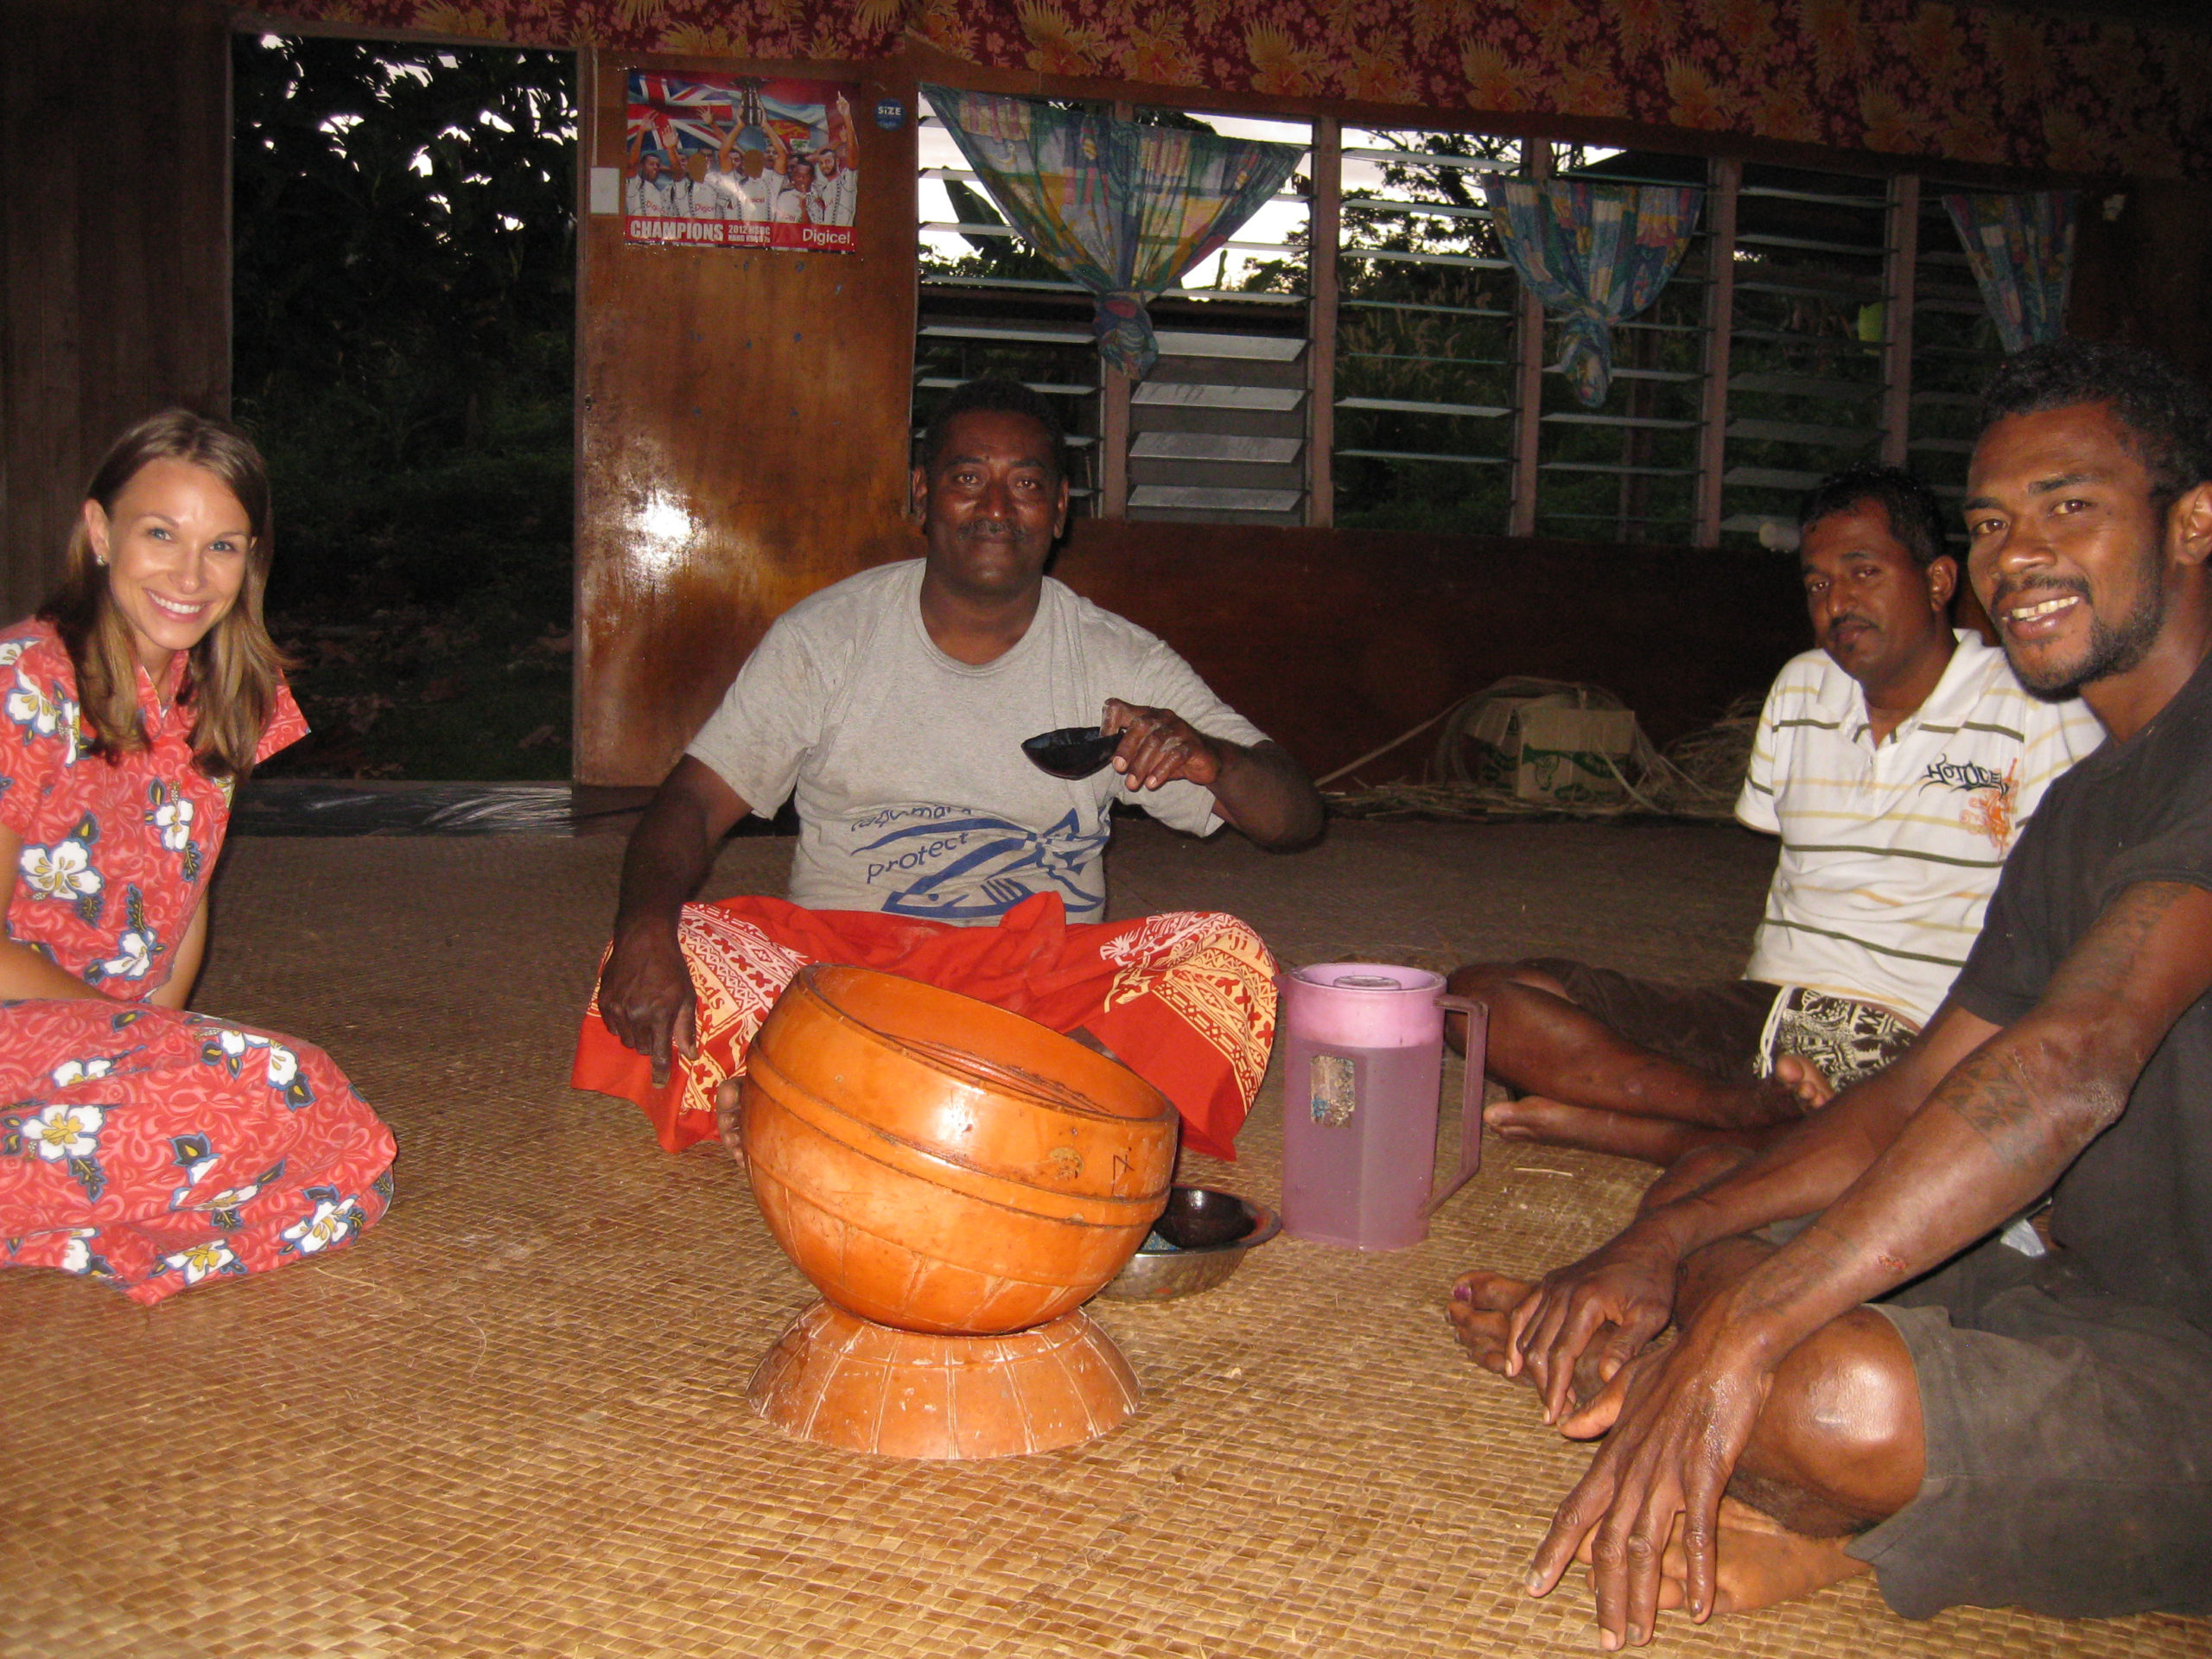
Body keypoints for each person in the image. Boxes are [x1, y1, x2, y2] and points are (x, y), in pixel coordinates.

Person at [1446, 340, 2212, 1637]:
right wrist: (1661, 1252)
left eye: (2069, 506)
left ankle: (1838, 1531)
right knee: (1725, 1252)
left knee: (1822, 1392)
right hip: (2095, 1312)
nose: (2018, 554)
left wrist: (1741, 1336)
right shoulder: (2088, 805)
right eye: (1992, 520)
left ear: (2195, 522)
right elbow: (1922, 1087)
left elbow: (2071, 1062)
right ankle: (1773, 1431)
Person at [572, 377, 1323, 1161]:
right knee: (682, 942)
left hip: (1036, 984)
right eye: (969, 479)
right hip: (841, 973)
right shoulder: (827, 637)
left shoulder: (1118, 658)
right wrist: (644, 930)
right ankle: (1035, 1106)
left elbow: (1295, 819)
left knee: (1227, 961)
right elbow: (690, 803)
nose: (997, 508)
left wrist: (1213, 760)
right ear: (923, 496)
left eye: (1027, 485)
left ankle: (819, 1094)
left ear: (1061, 509)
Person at [1446, 466, 2099, 1167]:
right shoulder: (1800, 688)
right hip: (1762, 1015)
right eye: (1817, 585)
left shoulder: (2036, 705)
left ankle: (1645, 1128)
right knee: (1476, 1001)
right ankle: (1728, 1115)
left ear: (1938, 583)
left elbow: (2075, 913)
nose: (1838, 603)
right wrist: (1738, 1080)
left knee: (1931, 1148)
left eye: (1864, 572)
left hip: (1920, 1035)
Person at [0, 412, 396, 1305]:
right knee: (278, 1090)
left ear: (250, 559)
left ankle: (79, 1207)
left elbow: (186, 894)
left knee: (347, 1162)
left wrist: (153, 1037)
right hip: (22, 1025)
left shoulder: (225, 696)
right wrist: (136, 1038)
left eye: (220, 545)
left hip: (110, 1049)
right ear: (100, 534)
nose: (189, 576)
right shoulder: (25, 681)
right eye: (159, 535)